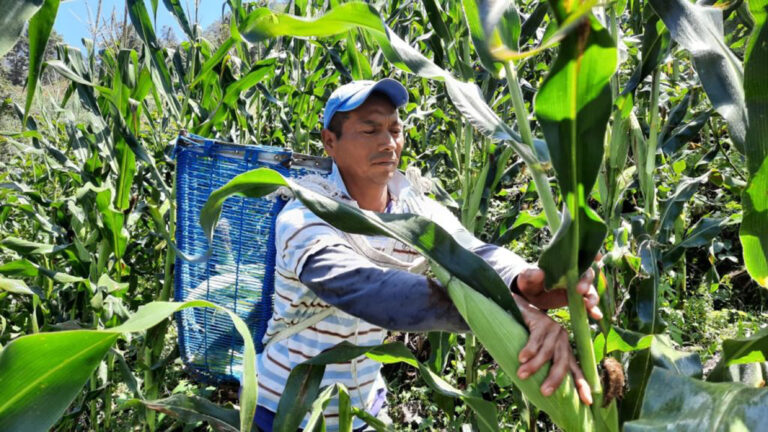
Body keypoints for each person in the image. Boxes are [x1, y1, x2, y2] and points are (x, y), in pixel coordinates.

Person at [254, 78, 602, 431]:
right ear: (330, 142)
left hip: (363, 410)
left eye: (394, 129)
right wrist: (511, 311)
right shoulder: (304, 214)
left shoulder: (411, 207)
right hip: (285, 410)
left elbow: (471, 252)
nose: (388, 143)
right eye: (370, 130)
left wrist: (526, 280)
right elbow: (368, 291)